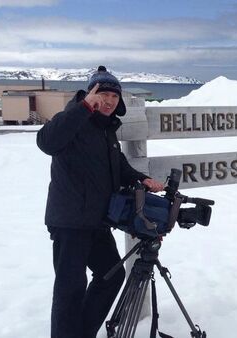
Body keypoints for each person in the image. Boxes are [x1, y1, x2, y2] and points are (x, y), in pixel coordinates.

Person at [37, 66, 165, 337]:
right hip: (70, 223)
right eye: (103, 94)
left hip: (97, 222)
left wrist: (141, 179)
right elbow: (47, 142)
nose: (108, 101)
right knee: (69, 289)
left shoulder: (104, 129)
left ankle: (81, 333)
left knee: (111, 275)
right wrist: (83, 107)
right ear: (91, 93)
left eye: (114, 96)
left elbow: (117, 166)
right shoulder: (75, 119)